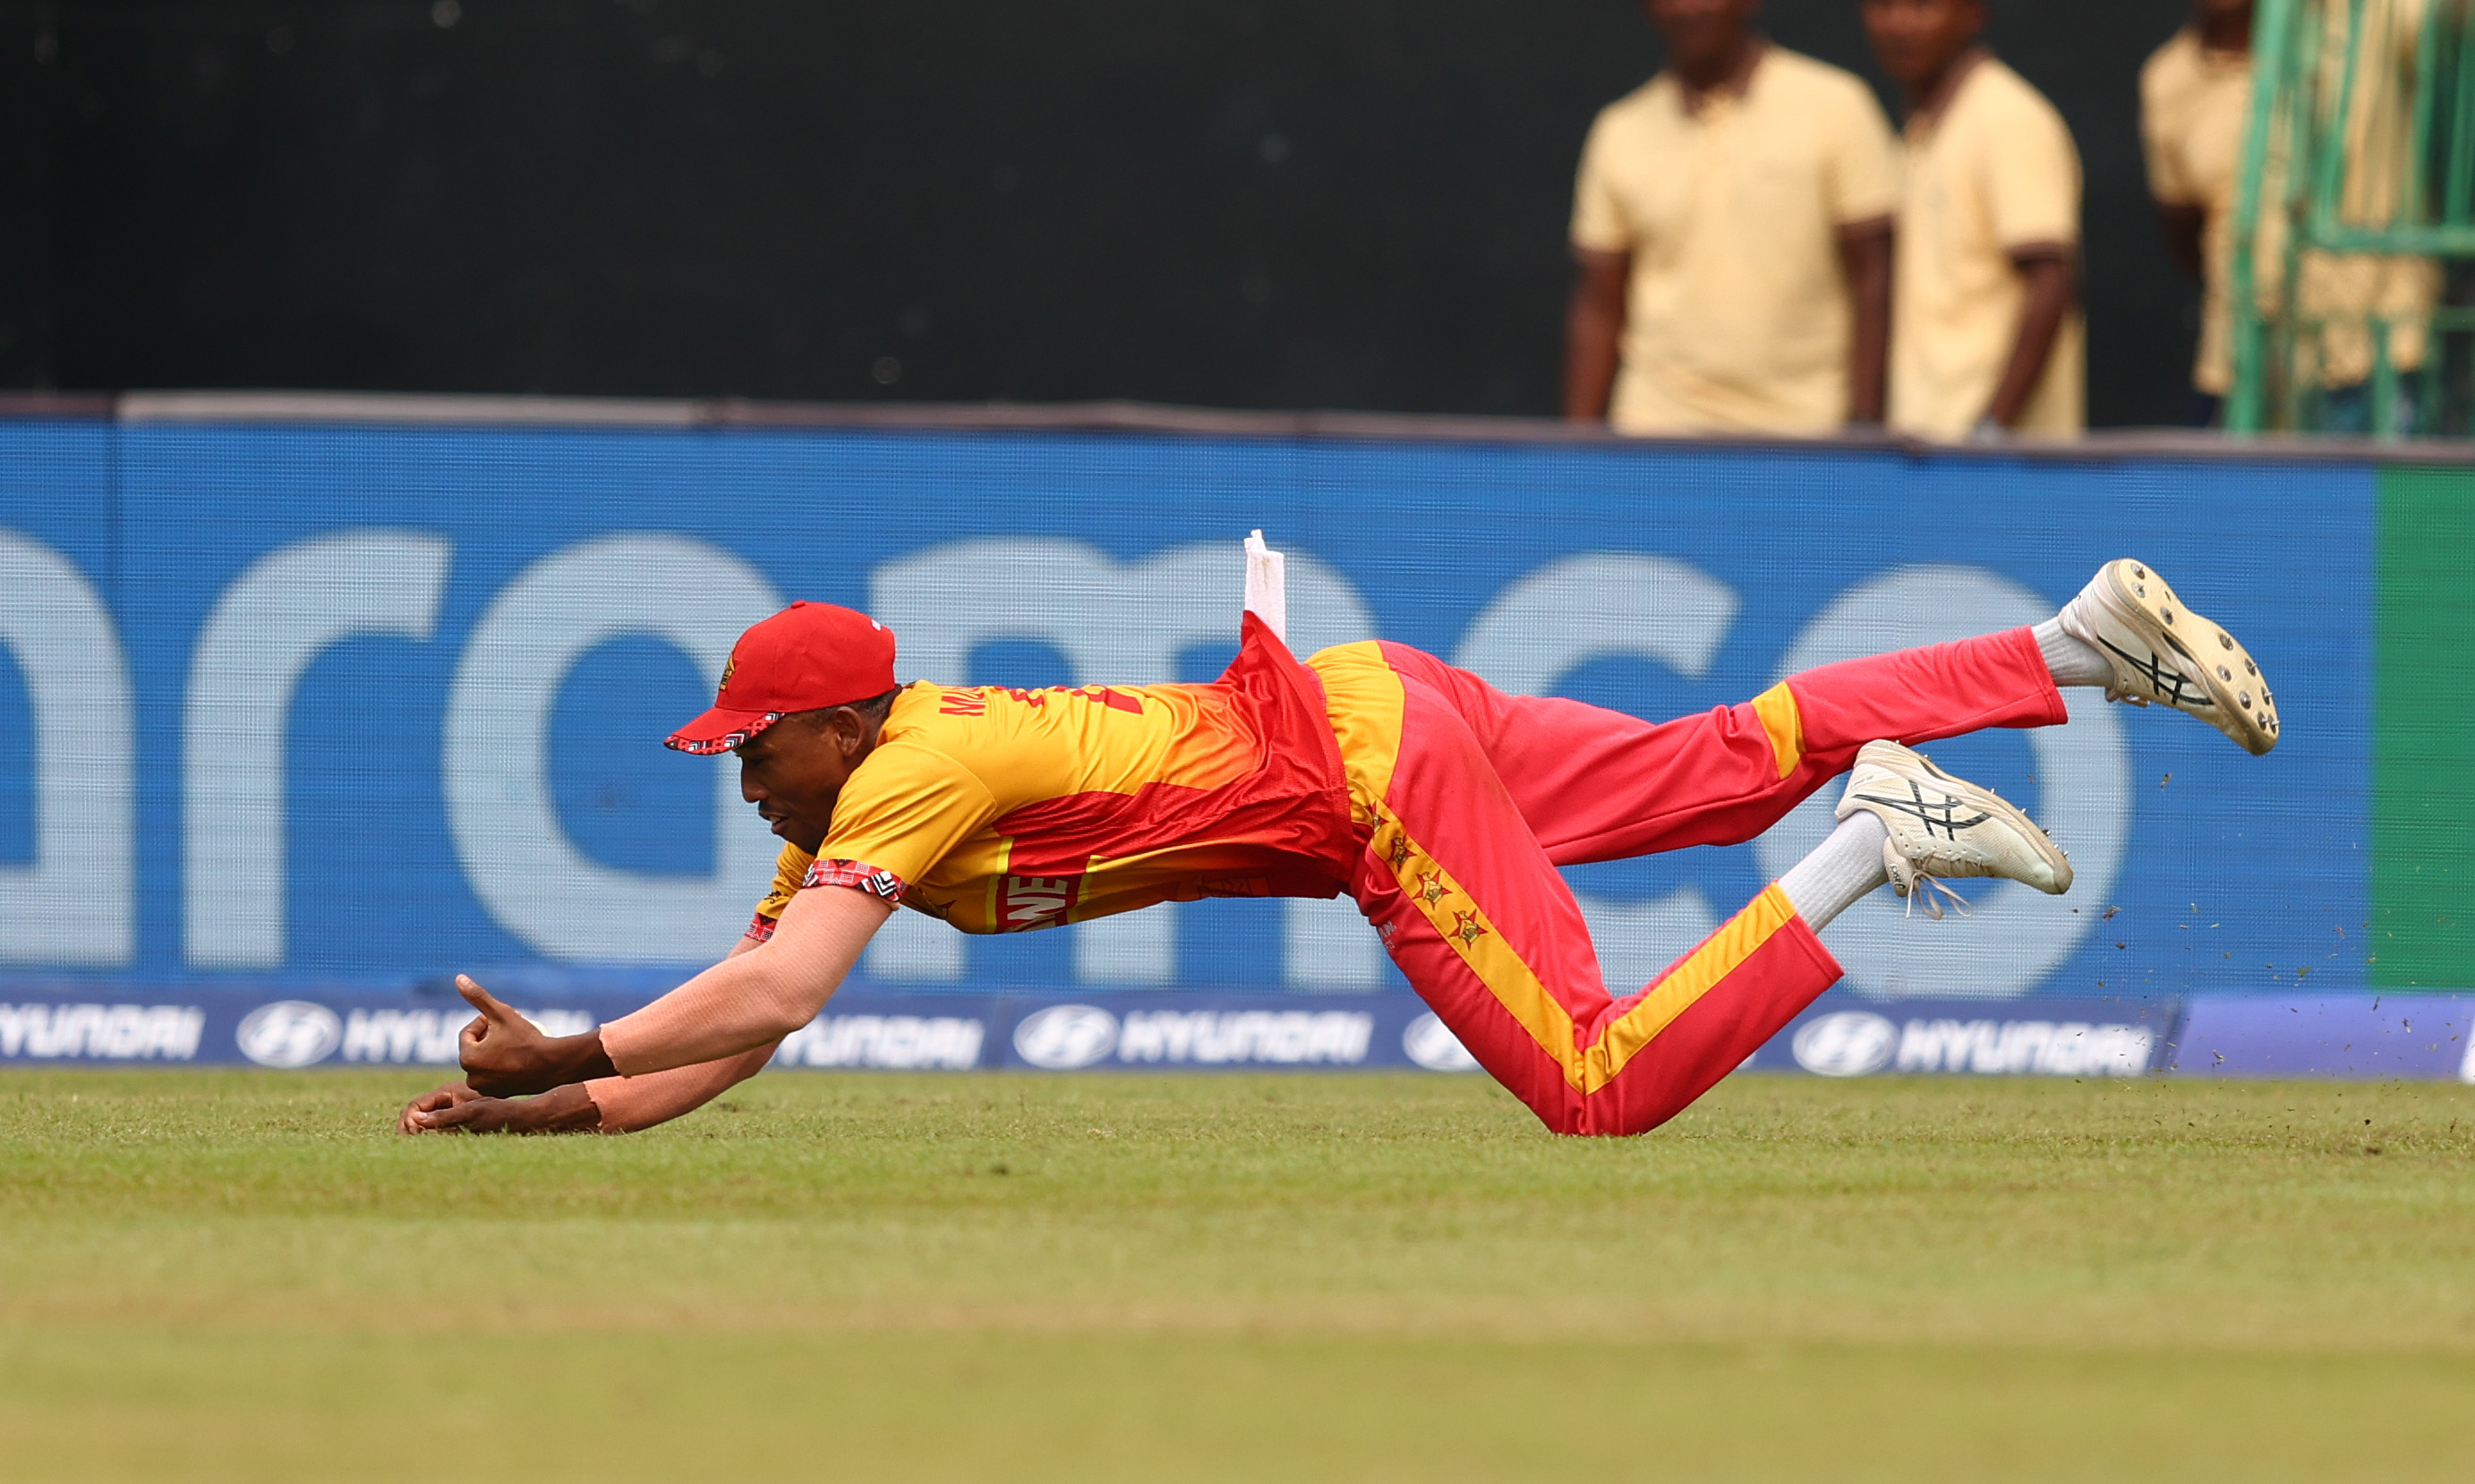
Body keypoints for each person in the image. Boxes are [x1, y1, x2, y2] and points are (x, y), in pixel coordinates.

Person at [403, 541, 2277, 1141]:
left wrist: (565, 1040)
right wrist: (539, 1114)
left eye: (755, 746)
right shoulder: (877, 780)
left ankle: (1874, 843)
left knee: (1594, 1088)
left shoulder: (894, 778)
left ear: (833, 722)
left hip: (1366, 783)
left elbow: (785, 987)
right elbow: (750, 1013)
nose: (743, 775)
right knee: (1710, 761)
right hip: (1379, 698)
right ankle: (2062, 646)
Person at [1563, 0, 1898, 436]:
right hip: (1658, 429)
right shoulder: (1619, 131)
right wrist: (1573, 450)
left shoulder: (1837, 106)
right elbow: (1600, 304)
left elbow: (1875, 277)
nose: (1688, 9)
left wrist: (1864, 427)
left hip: (1805, 431)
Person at [2141, 0, 2438, 430]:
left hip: (2371, 367)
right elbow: (2183, 231)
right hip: (2236, 374)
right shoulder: (2168, 79)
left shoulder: (2373, 18)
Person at [1862, 0, 2085, 441]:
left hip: (1996, 462)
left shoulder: (2008, 119)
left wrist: (1991, 426)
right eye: (1884, 5)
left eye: (1923, 7)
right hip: (1931, 442)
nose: (1900, 23)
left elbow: (2050, 282)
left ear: (1972, 13)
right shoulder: (1922, 129)